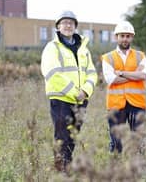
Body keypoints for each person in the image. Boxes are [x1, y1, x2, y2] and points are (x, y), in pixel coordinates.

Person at [41, 10, 98, 172]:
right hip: (61, 100)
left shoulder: (83, 49)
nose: (68, 25)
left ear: (75, 26)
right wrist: (75, 92)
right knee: (62, 137)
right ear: (58, 27)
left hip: (80, 100)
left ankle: (67, 167)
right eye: (64, 22)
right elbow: (52, 73)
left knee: (73, 137)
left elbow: (92, 73)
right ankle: (61, 171)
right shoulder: (52, 48)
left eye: (71, 23)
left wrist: (85, 91)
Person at [101, 21, 146, 153]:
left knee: (138, 141)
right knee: (116, 142)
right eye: (122, 35)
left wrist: (121, 72)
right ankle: (116, 171)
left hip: (137, 103)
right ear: (116, 37)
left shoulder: (140, 56)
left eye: (128, 36)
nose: (125, 39)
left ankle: (138, 170)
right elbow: (111, 79)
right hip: (115, 104)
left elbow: (143, 75)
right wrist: (134, 74)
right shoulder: (108, 58)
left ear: (132, 37)